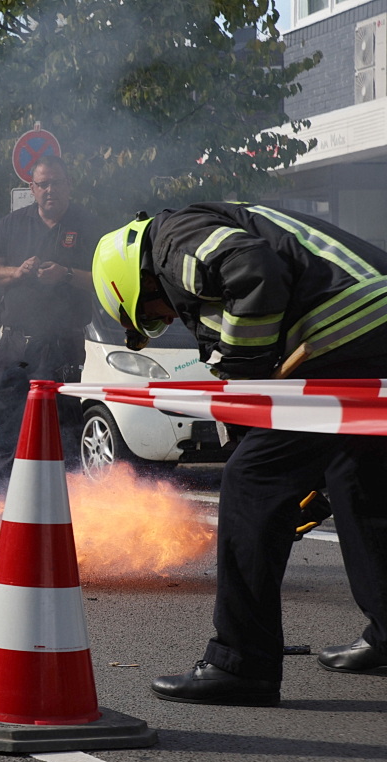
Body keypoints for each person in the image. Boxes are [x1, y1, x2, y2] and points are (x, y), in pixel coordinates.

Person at [91, 202, 387, 707]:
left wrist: (245, 375)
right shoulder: (204, 224)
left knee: (252, 484)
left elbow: (252, 270)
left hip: (344, 331)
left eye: (155, 314)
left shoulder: (171, 242)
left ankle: (241, 662)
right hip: (371, 329)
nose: (167, 318)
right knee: (355, 479)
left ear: (135, 285)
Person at [0, 155, 102, 496]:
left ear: (68, 185)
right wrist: (16, 273)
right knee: (2, 427)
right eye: (42, 184)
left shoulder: (88, 225)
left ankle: (69, 508)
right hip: (14, 343)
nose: (49, 190)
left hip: (63, 344)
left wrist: (67, 274)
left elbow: (108, 279)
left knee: (63, 428)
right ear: (32, 188)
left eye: (56, 183)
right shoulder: (12, 224)